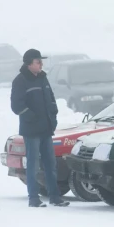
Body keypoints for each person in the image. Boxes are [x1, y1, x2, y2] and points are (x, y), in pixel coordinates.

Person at [10, 49, 69, 208]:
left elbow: (51, 100)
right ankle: (33, 198)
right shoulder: (20, 80)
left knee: (51, 164)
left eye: (41, 61)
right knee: (33, 165)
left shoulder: (43, 78)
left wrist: (53, 116)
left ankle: (55, 197)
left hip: (46, 129)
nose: (41, 64)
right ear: (29, 64)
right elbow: (16, 106)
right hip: (31, 131)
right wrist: (32, 118)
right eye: (38, 61)